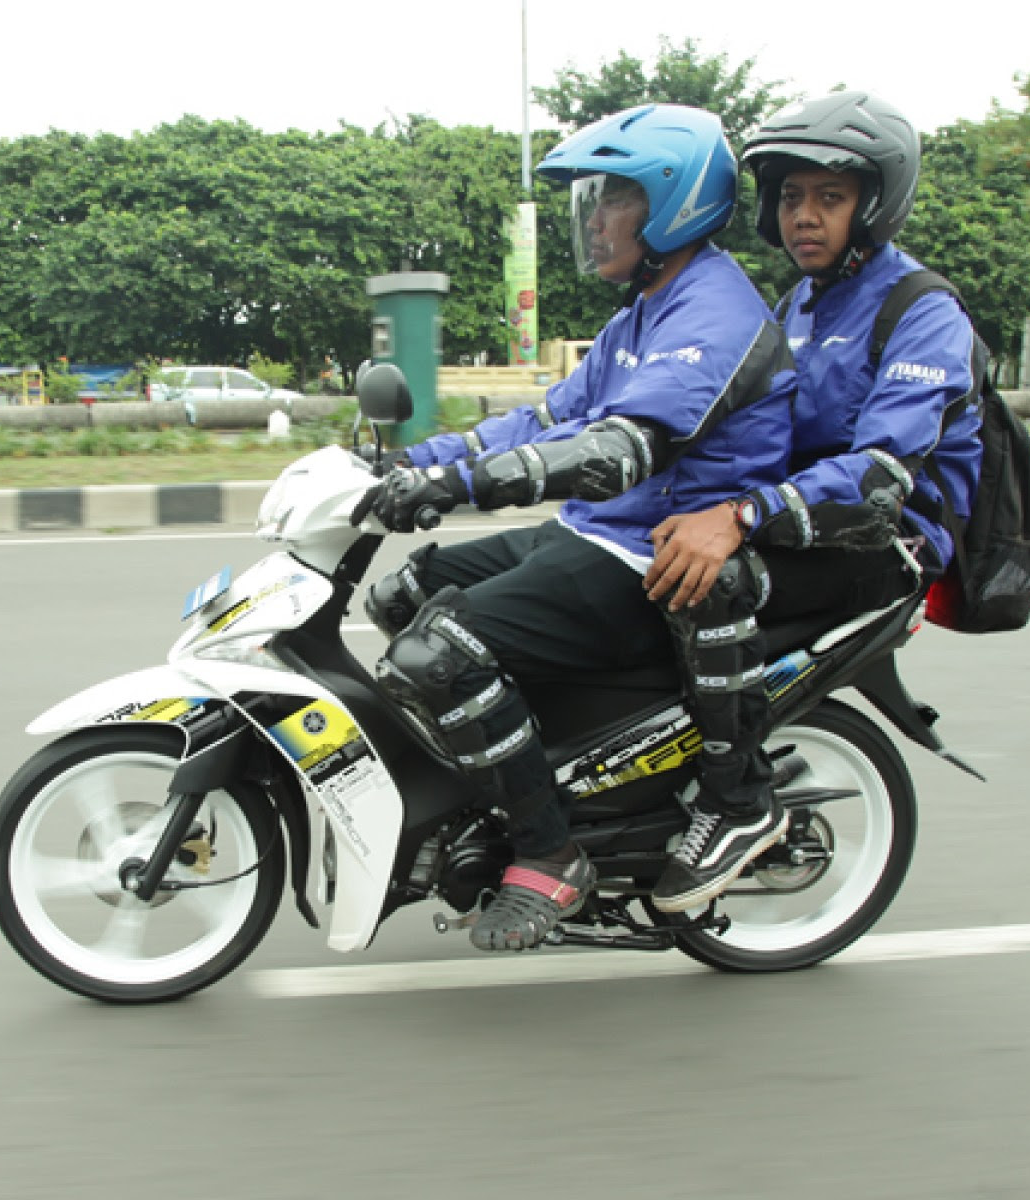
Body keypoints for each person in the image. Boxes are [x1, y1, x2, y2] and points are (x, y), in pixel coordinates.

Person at [360, 103, 797, 952]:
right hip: (596, 532)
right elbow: (548, 420)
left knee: (440, 652)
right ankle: (512, 775)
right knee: (404, 595)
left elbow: (617, 450)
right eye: (590, 201)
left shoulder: (714, 312)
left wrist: (463, 487)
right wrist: (420, 462)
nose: (593, 221)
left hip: (650, 556)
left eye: (613, 200)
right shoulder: (642, 312)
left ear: (672, 207)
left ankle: (551, 854)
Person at [646, 90, 985, 900]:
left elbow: (877, 477)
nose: (804, 216)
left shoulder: (922, 312)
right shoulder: (798, 303)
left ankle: (736, 802)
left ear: (873, 205)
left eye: (828, 198)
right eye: (792, 197)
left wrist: (738, 517)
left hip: (883, 540)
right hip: (801, 521)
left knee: (712, 581)